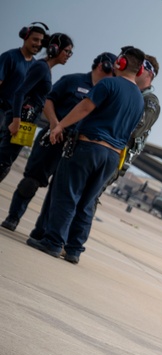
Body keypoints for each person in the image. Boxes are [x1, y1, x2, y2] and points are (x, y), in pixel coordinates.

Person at [25, 46, 145, 264]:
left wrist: (59, 126)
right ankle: (74, 250)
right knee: (87, 202)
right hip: (112, 157)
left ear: (121, 63)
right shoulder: (139, 98)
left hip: (89, 147)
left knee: (67, 194)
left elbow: (84, 108)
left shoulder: (108, 83)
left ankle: (53, 242)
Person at [2, 52, 115, 232]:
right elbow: (48, 100)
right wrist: (55, 123)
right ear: (103, 66)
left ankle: (42, 232)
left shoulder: (108, 93)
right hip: (53, 138)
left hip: (78, 146)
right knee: (30, 182)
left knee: (61, 194)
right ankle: (13, 217)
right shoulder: (72, 81)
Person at [0, 32, 73, 182]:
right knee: (3, 161)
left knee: (7, 161)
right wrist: (16, 120)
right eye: (67, 51)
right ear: (54, 49)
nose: (69, 55)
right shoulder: (41, 67)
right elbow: (20, 92)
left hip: (28, 121)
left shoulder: (45, 69)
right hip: (21, 120)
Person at [102, 54, 159, 193]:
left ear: (149, 74)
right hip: (99, 149)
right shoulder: (124, 91)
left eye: (140, 67)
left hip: (114, 157)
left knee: (87, 201)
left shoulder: (150, 102)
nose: (135, 70)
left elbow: (136, 130)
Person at [0, 22, 48, 143]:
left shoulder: (38, 66)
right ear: (25, 37)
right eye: (35, 39)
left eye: (41, 41)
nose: (38, 44)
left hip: (18, 117)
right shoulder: (9, 57)